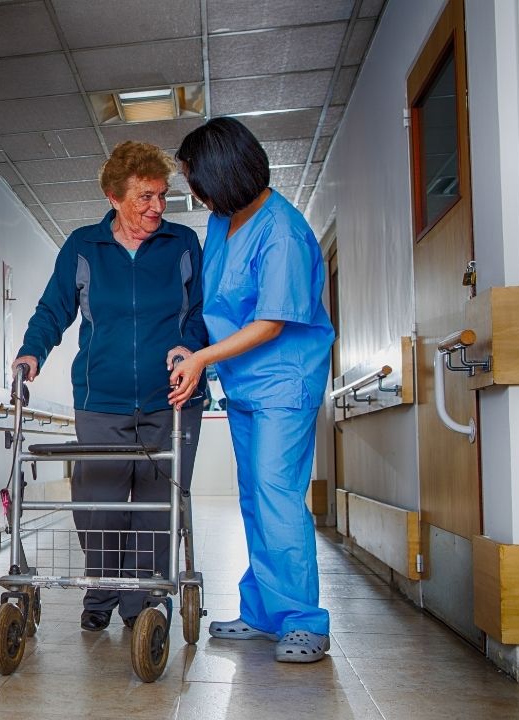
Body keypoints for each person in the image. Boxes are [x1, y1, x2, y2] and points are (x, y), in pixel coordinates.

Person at [13, 141, 208, 632]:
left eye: (162, 196)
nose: (157, 208)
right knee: (98, 502)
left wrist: (189, 348)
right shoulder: (84, 246)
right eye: (144, 197)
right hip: (102, 399)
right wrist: (33, 350)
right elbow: (54, 307)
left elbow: (200, 314)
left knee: (155, 504)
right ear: (113, 197)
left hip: (172, 399)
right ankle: (101, 590)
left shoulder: (182, 243)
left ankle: (142, 603)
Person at [169, 117, 335, 663]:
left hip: (284, 382)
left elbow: (270, 323)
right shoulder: (224, 221)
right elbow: (216, 305)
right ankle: (265, 612)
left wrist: (202, 359)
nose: (193, 191)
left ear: (223, 172)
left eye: (195, 178)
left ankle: (304, 620)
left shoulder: (282, 231)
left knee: (277, 494)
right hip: (243, 385)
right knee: (254, 498)